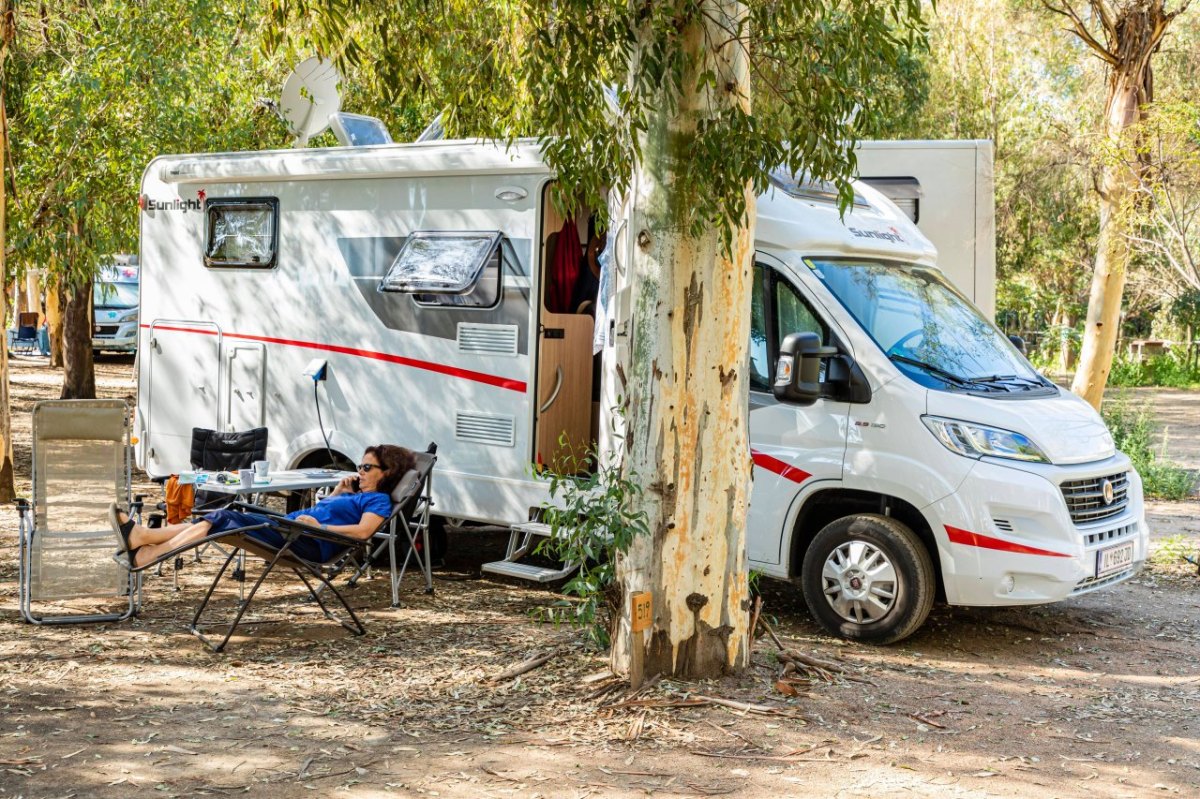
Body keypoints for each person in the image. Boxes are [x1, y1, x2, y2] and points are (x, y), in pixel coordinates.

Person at [110, 445, 416, 570]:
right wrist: (337, 493)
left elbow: (363, 533)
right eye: (360, 465)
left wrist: (318, 527)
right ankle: (145, 542)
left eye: (367, 467)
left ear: (387, 473)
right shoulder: (352, 494)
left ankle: (149, 550)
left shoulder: (378, 500)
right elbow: (332, 512)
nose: (359, 471)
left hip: (304, 542)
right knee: (223, 517)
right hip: (291, 530)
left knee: (225, 517)